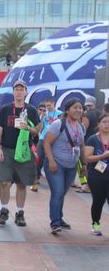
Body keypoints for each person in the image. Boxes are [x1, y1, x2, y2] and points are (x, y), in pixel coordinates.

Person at [0, 80, 39, 227]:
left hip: (24, 150)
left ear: (25, 92)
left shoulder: (31, 110)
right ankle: (4, 209)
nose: (19, 92)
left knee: (21, 183)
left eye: (21, 89)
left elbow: (36, 130)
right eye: (16, 89)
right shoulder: (6, 109)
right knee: (4, 181)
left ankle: (20, 212)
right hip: (7, 150)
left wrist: (27, 128)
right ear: (13, 92)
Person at [43, 98, 85, 235]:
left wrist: (83, 164)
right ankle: (55, 222)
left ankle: (59, 218)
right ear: (67, 110)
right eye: (75, 107)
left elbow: (81, 146)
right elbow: (46, 142)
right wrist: (51, 161)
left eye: (80, 108)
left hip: (71, 166)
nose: (78, 110)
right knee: (57, 192)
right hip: (56, 164)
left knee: (62, 193)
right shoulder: (58, 124)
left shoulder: (81, 126)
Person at [84, 113, 109, 236]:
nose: (107, 124)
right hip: (97, 175)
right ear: (98, 124)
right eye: (104, 122)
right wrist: (103, 156)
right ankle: (96, 224)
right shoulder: (92, 139)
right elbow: (87, 158)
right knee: (98, 201)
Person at [30, 98, 63, 192]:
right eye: (46, 106)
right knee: (39, 158)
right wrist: (39, 134)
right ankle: (35, 179)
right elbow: (41, 126)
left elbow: (61, 125)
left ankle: (55, 180)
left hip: (54, 139)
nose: (47, 108)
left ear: (53, 104)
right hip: (43, 138)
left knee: (53, 158)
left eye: (49, 105)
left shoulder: (59, 114)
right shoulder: (45, 114)